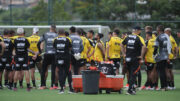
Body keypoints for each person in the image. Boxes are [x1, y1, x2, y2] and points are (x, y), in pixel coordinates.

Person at [121, 30, 145, 95]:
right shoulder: (138, 38)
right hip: (134, 59)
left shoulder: (127, 37)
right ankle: (130, 90)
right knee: (133, 74)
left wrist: (124, 54)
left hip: (127, 59)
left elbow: (122, 44)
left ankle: (132, 88)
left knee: (130, 74)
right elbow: (144, 46)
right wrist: (141, 57)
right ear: (137, 32)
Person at [53, 29, 74, 94]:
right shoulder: (68, 39)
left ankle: (61, 89)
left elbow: (54, 47)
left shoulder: (55, 39)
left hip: (58, 58)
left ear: (58, 33)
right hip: (66, 58)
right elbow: (70, 48)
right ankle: (70, 89)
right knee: (68, 72)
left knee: (60, 72)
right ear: (64, 33)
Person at [39, 25, 58, 90]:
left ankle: (42, 85)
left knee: (43, 70)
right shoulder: (56, 35)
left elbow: (39, 42)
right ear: (55, 29)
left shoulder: (45, 34)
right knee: (53, 70)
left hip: (47, 54)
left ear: (50, 28)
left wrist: (40, 51)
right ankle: (52, 86)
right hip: (54, 54)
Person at [154, 25, 171, 91]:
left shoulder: (158, 37)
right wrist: (168, 56)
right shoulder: (167, 36)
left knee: (161, 72)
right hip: (166, 56)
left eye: (157, 29)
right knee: (164, 71)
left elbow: (156, 47)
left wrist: (154, 54)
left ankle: (163, 87)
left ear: (158, 30)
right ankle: (166, 85)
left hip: (160, 57)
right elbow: (169, 46)